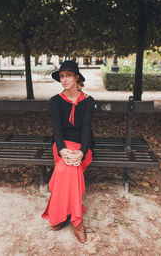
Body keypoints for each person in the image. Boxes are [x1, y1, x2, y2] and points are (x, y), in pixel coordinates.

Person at [42, 60, 95, 243]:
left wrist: (82, 151)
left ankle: (62, 216)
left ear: (76, 77)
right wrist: (62, 150)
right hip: (62, 144)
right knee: (68, 168)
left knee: (68, 169)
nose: (64, 80)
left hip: (82, 145)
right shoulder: (55, 101)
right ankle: (77, 220)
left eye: (68, 75)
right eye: (62, 76)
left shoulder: (88, 101)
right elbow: (57, 128)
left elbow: (87, 129)